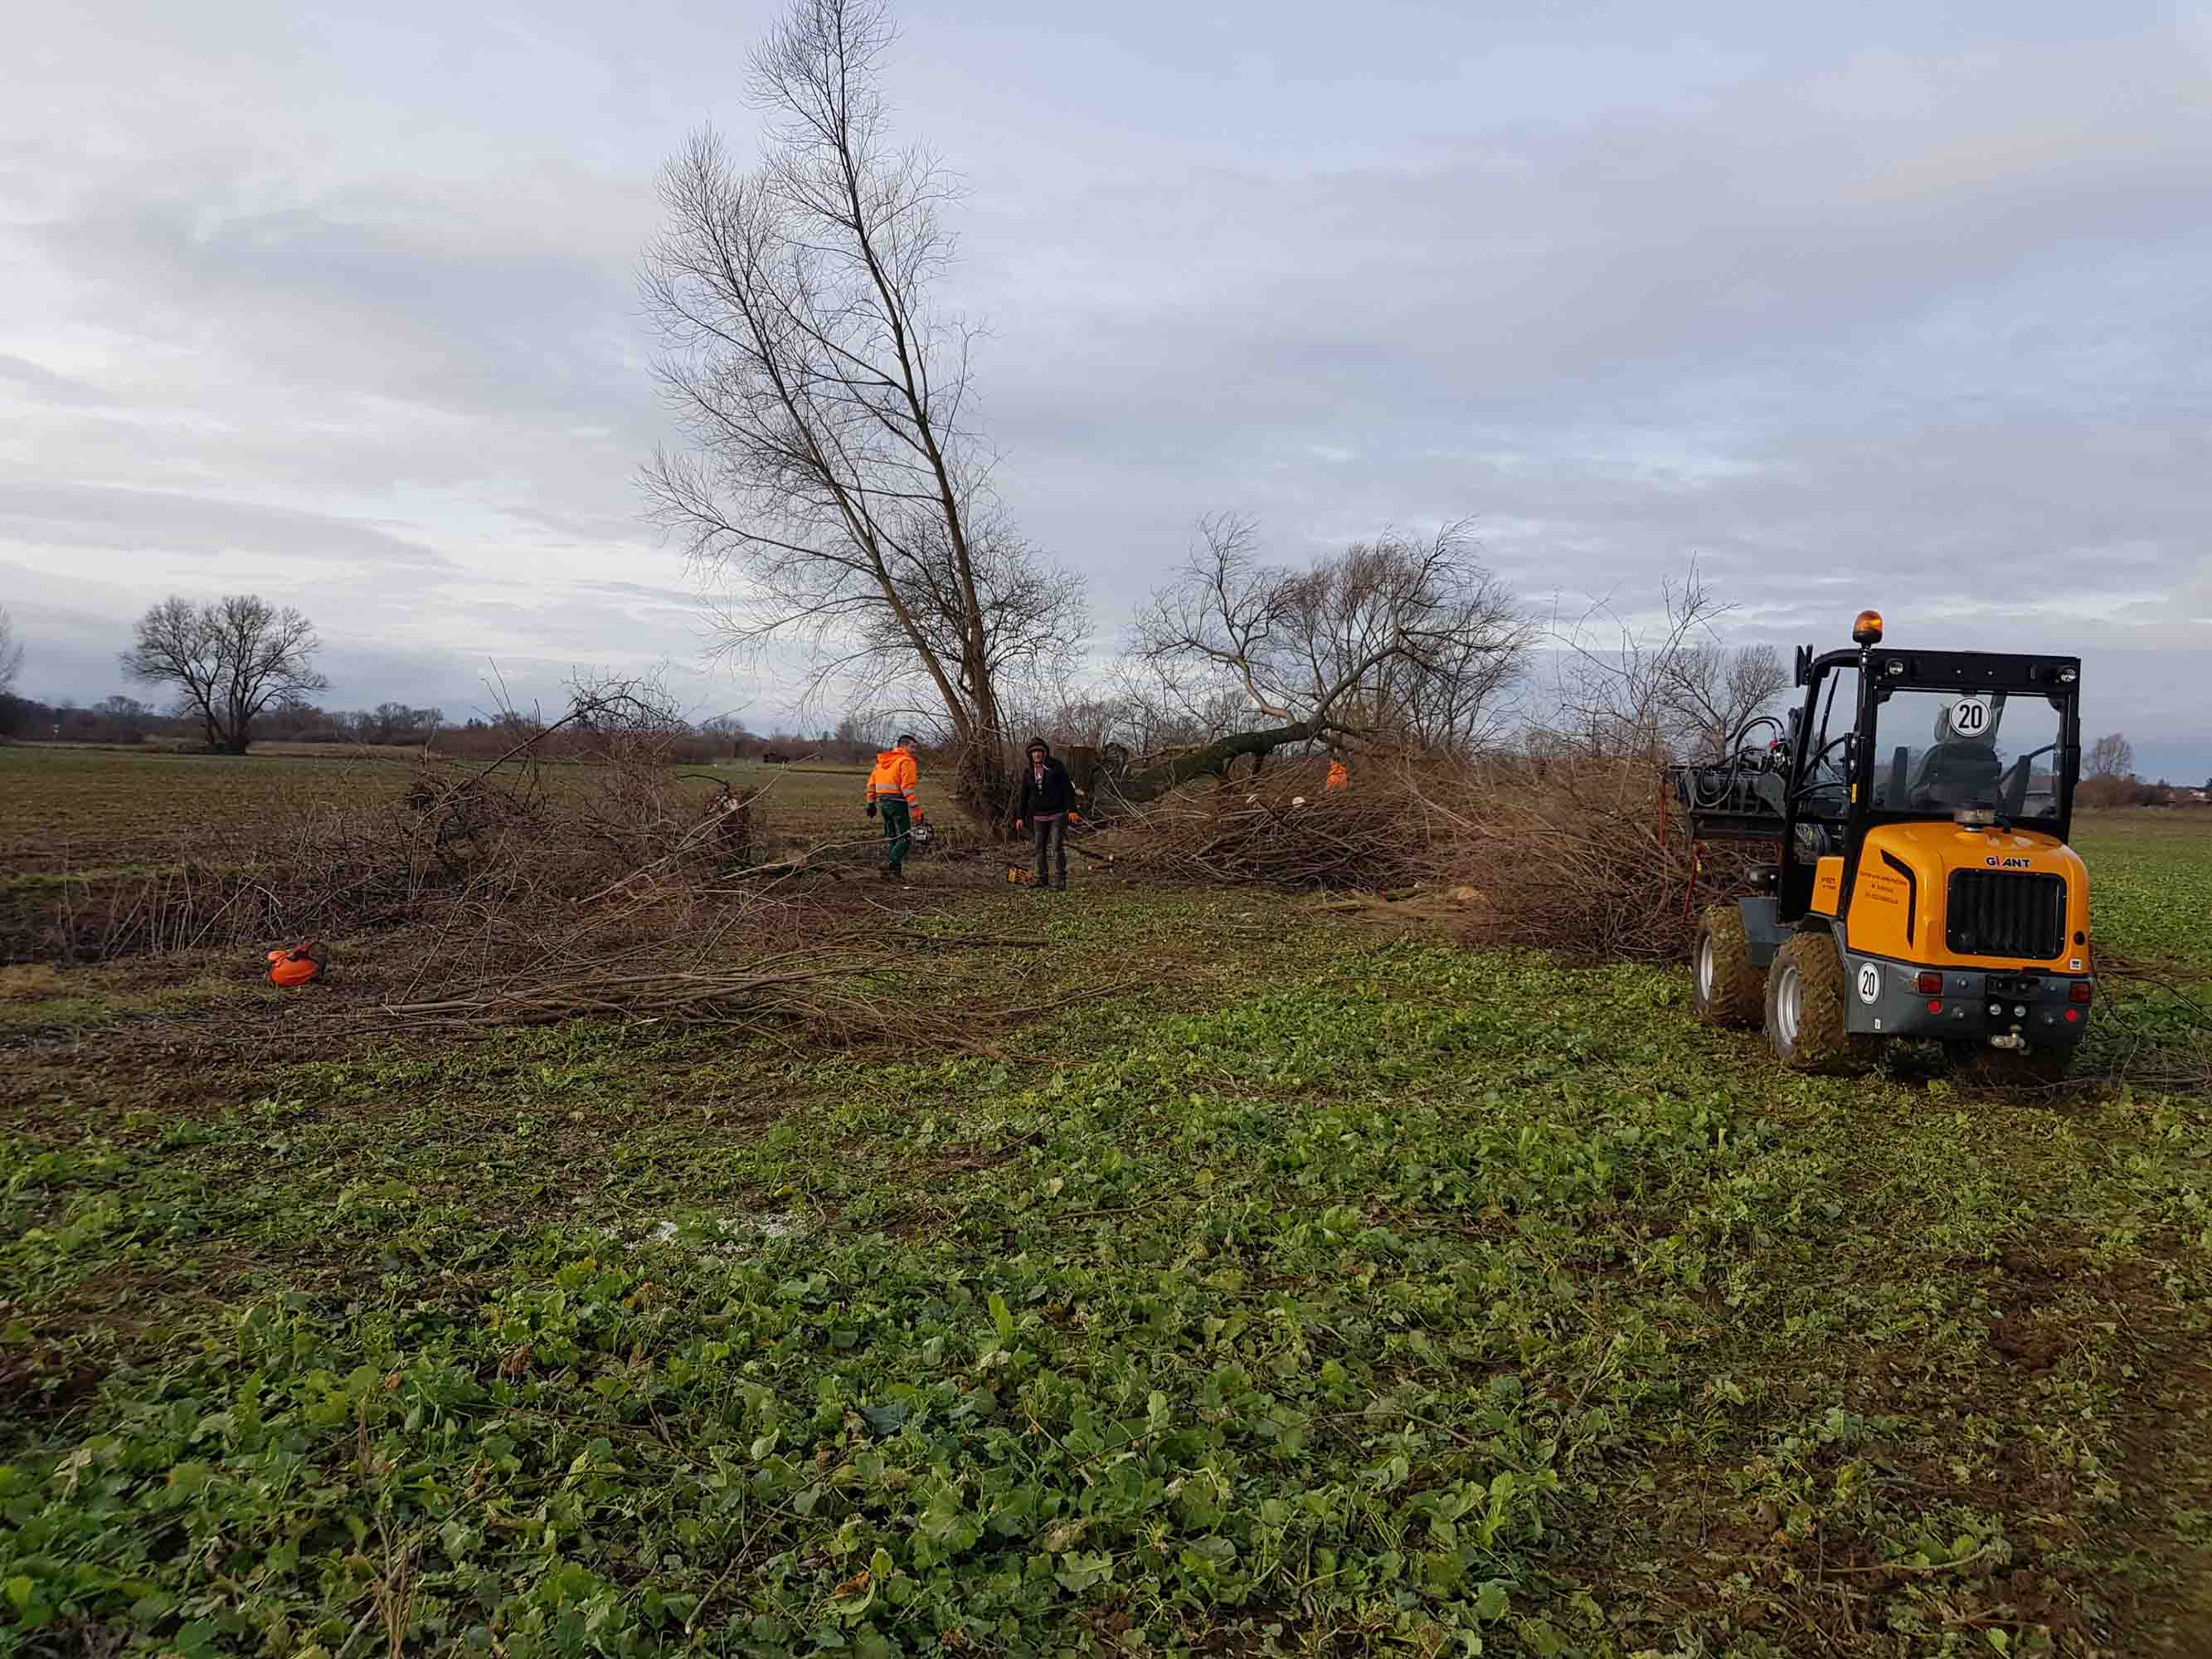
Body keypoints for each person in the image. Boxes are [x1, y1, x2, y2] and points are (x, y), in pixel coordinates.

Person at [1012, 736, 1076, 891]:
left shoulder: (1056, 767)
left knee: (1056, 847)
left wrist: (1072, 810)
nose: (1037, 754)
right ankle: (1042, 879)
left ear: (1045, 752)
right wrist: (1020, 816)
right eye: (1034, 752)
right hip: (1038, 816)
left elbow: (1068, 789)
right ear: (1030, 754)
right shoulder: (1028, 772)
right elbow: (1024, 796)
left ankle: (1060, 880)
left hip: (1057, 814)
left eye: (1040, 751)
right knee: (1039, 848)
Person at [864, 734, 924, 883]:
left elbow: (871, 784)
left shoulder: (882, 762)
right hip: (898, 804)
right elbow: (907, 789)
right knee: (904, 839)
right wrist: (916, 810)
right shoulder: (906, 761)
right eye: (912, 747)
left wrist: (871, 804)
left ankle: (894, 874)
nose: (915, 750)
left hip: (883, 804)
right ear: (903, 746)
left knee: (893, 838)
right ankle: (890, 866)